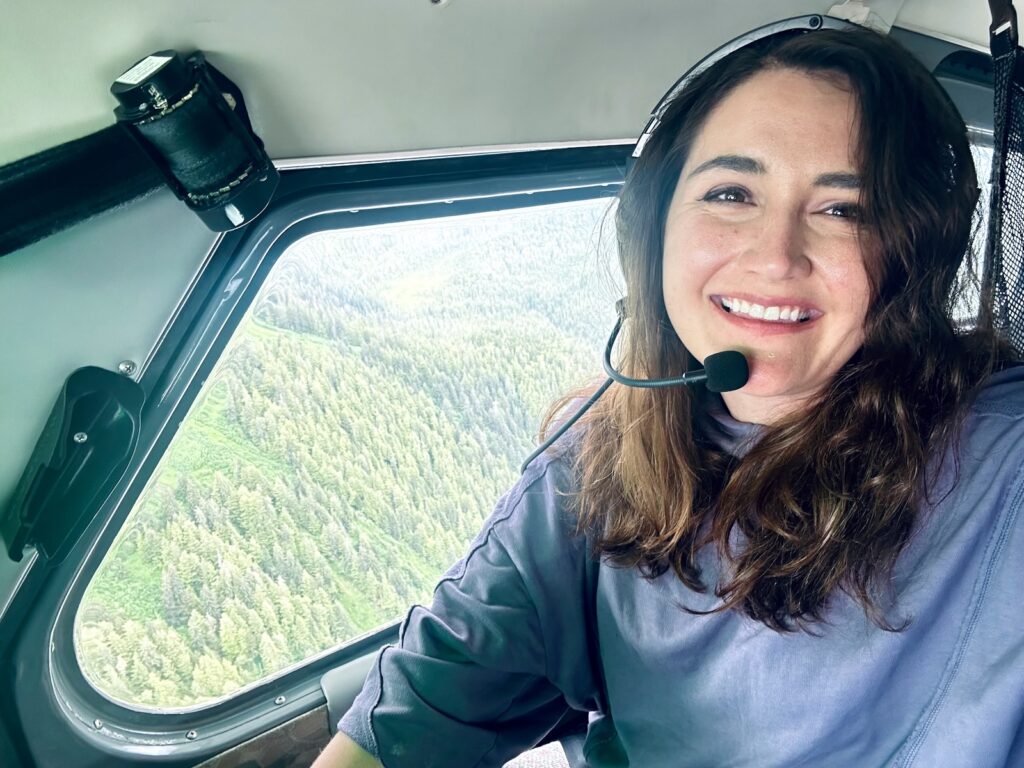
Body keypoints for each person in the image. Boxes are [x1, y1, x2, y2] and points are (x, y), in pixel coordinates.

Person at [314, 22, 1024, 768]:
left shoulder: (1003, 460)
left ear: (913, 255)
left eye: (843, 209)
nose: (776, 257)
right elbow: (427, 701)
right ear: (654, 227)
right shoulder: (598, 458)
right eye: (731, 193)